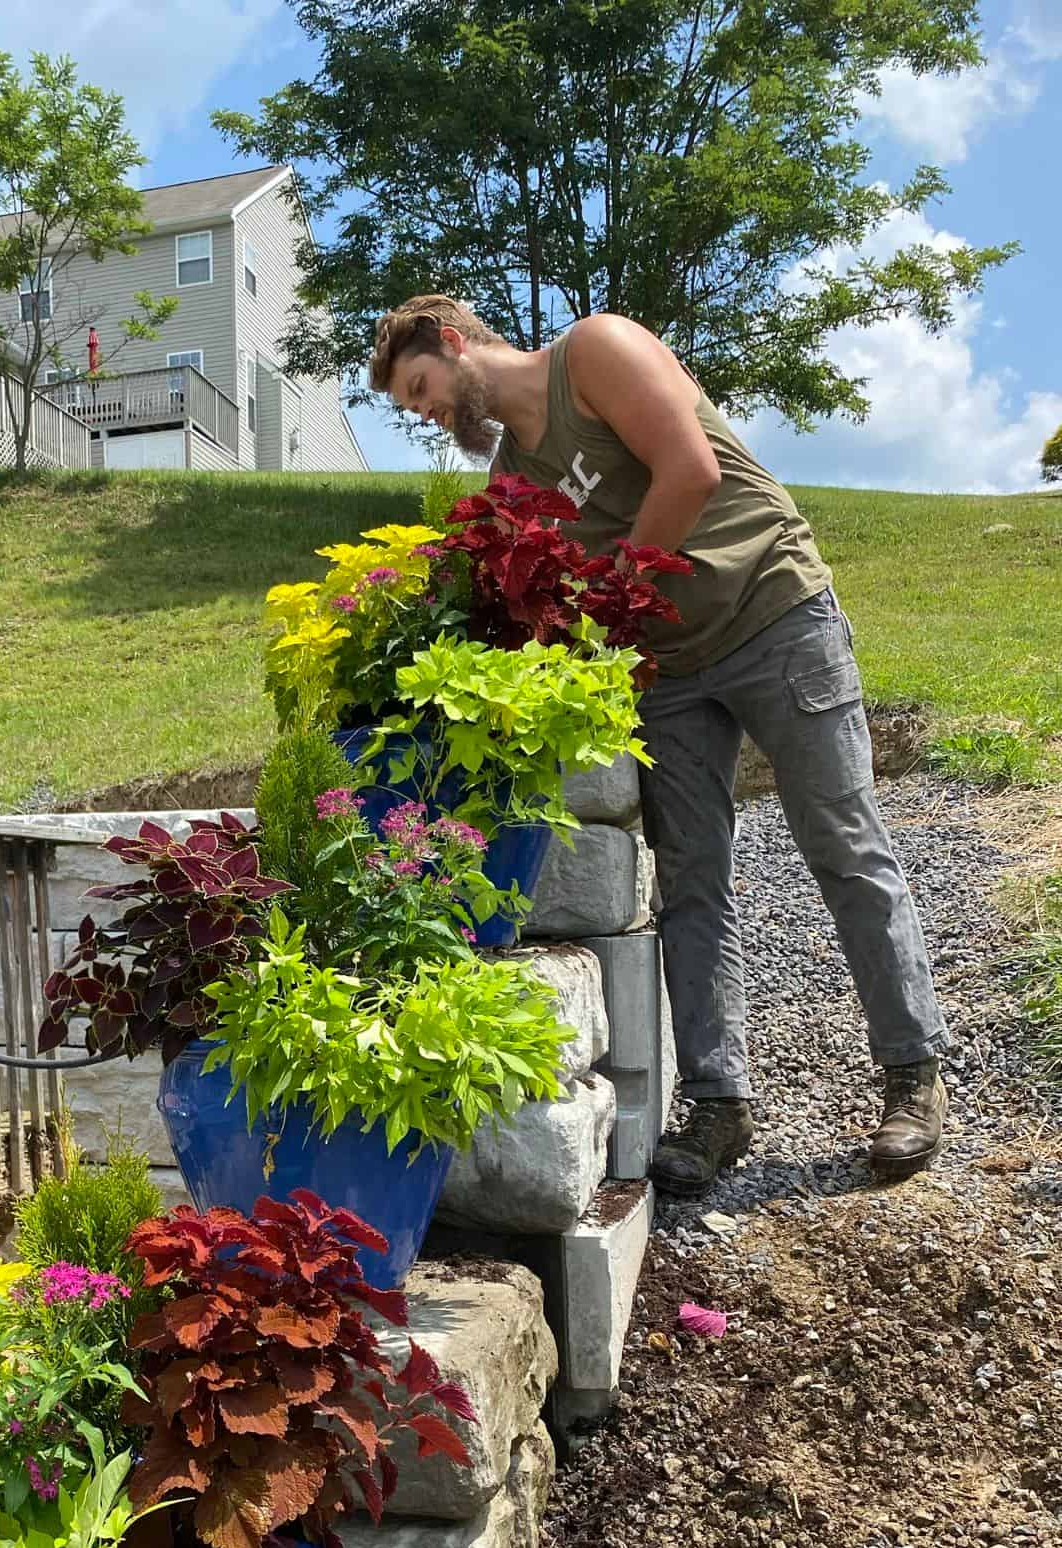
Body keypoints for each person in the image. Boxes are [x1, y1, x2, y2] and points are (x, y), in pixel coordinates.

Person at [368, 294, 949, 1194]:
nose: (428, 413)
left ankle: (913, 1074)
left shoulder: (594, 353)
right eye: (413, 410)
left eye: (422, 387)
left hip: (774, 611)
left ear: (454, 343)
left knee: (841, 842)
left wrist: (604, 611)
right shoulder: (511, 484)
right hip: (667, 670)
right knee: (690, 881)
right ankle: (721, 1104)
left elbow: (689, 472)